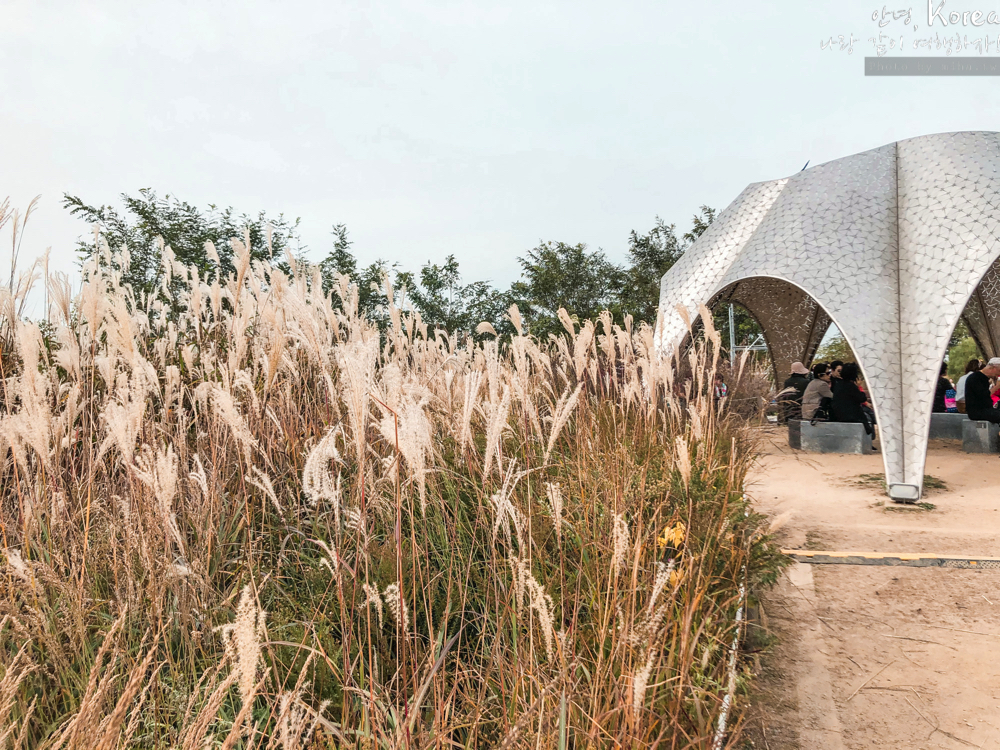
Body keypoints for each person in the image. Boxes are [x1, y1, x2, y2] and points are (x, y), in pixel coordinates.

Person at [830, 362, 874, 437]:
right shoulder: (851, 386)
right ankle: (869, 437)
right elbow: (861, 398)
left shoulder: (838, 384)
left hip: (838, 413)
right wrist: (859, 387)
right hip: (851, 415)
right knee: (868, 418)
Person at [964, 357, 1000, 423]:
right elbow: (983, 396)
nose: (998, 374)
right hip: (977, 412)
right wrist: (996, 387)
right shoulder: (975, 378)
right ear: (993, 368)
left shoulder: (984, 378)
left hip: (985, 410)